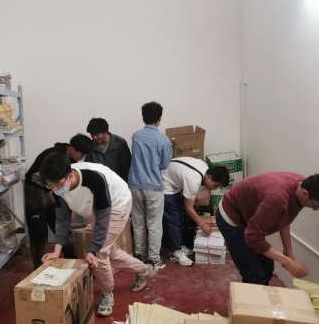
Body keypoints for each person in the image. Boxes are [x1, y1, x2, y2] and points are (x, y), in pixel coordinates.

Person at [40, 153, 157, 317]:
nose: (55, 190)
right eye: (50, 186)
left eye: (58, 185)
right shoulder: (58, 187)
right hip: (96, 210)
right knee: (109, 250)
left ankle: (107, 293)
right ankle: (144, 270)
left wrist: (93, 250)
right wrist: (56, 250)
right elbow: (62, 218)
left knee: (100, 252)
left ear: (70, 175)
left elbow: (103, 217)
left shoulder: (94, 179)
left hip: (117, 205)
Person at [216, 172, 319, 285]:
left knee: (267, 268)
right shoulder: (276, 198)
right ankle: (249, 302)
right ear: (305, 194)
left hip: (248, 217)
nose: (315, 208)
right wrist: (287, 262)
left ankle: (258, 296)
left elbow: (284, 216)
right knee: (255, 276)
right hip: (232, 218)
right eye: (317, 206)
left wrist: (288, 249)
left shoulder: (302, 185)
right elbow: (253, 237)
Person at [25, 134, 94, 270]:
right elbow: (50, 189)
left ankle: (71, 260)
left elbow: (64, 188)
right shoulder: (53, 156)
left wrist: (69, 208)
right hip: (35, 189)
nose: (82, 158)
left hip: (52, 189)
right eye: (81, 154)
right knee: (38, 231)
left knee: (61, 224)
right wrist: (66, 207)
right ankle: (38, 267)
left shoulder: (71, 162)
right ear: (73, 149)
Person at [128, 102, 172, 270]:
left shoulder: (136, 136)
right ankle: (153, 259)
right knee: (154, 224)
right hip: (153, 186)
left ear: (143, 118)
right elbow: (164, 164)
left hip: (134, 185)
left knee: (138, 222)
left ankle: (139, 255)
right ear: (159, 119)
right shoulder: (163, 140)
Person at [162, 157, 230, 266]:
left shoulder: (204, 167)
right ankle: (176, 252)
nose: (215, 189)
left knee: (178, 216)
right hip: (165, 183)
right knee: (173, 219)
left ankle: (178, 246)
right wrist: (203, 225)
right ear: (209, 177)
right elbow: (189, 208)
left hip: (173, 180)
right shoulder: (194, 180)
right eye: (215, 185)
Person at [85, 118, 132, 182]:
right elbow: (88, 167)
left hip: (118, 183)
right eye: (92, 135)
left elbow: (127, 167)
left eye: (97, 135)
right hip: (97, 184)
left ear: (105, 132)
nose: (94, 137)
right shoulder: (90, 146)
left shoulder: (119, 144)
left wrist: (122, 183)